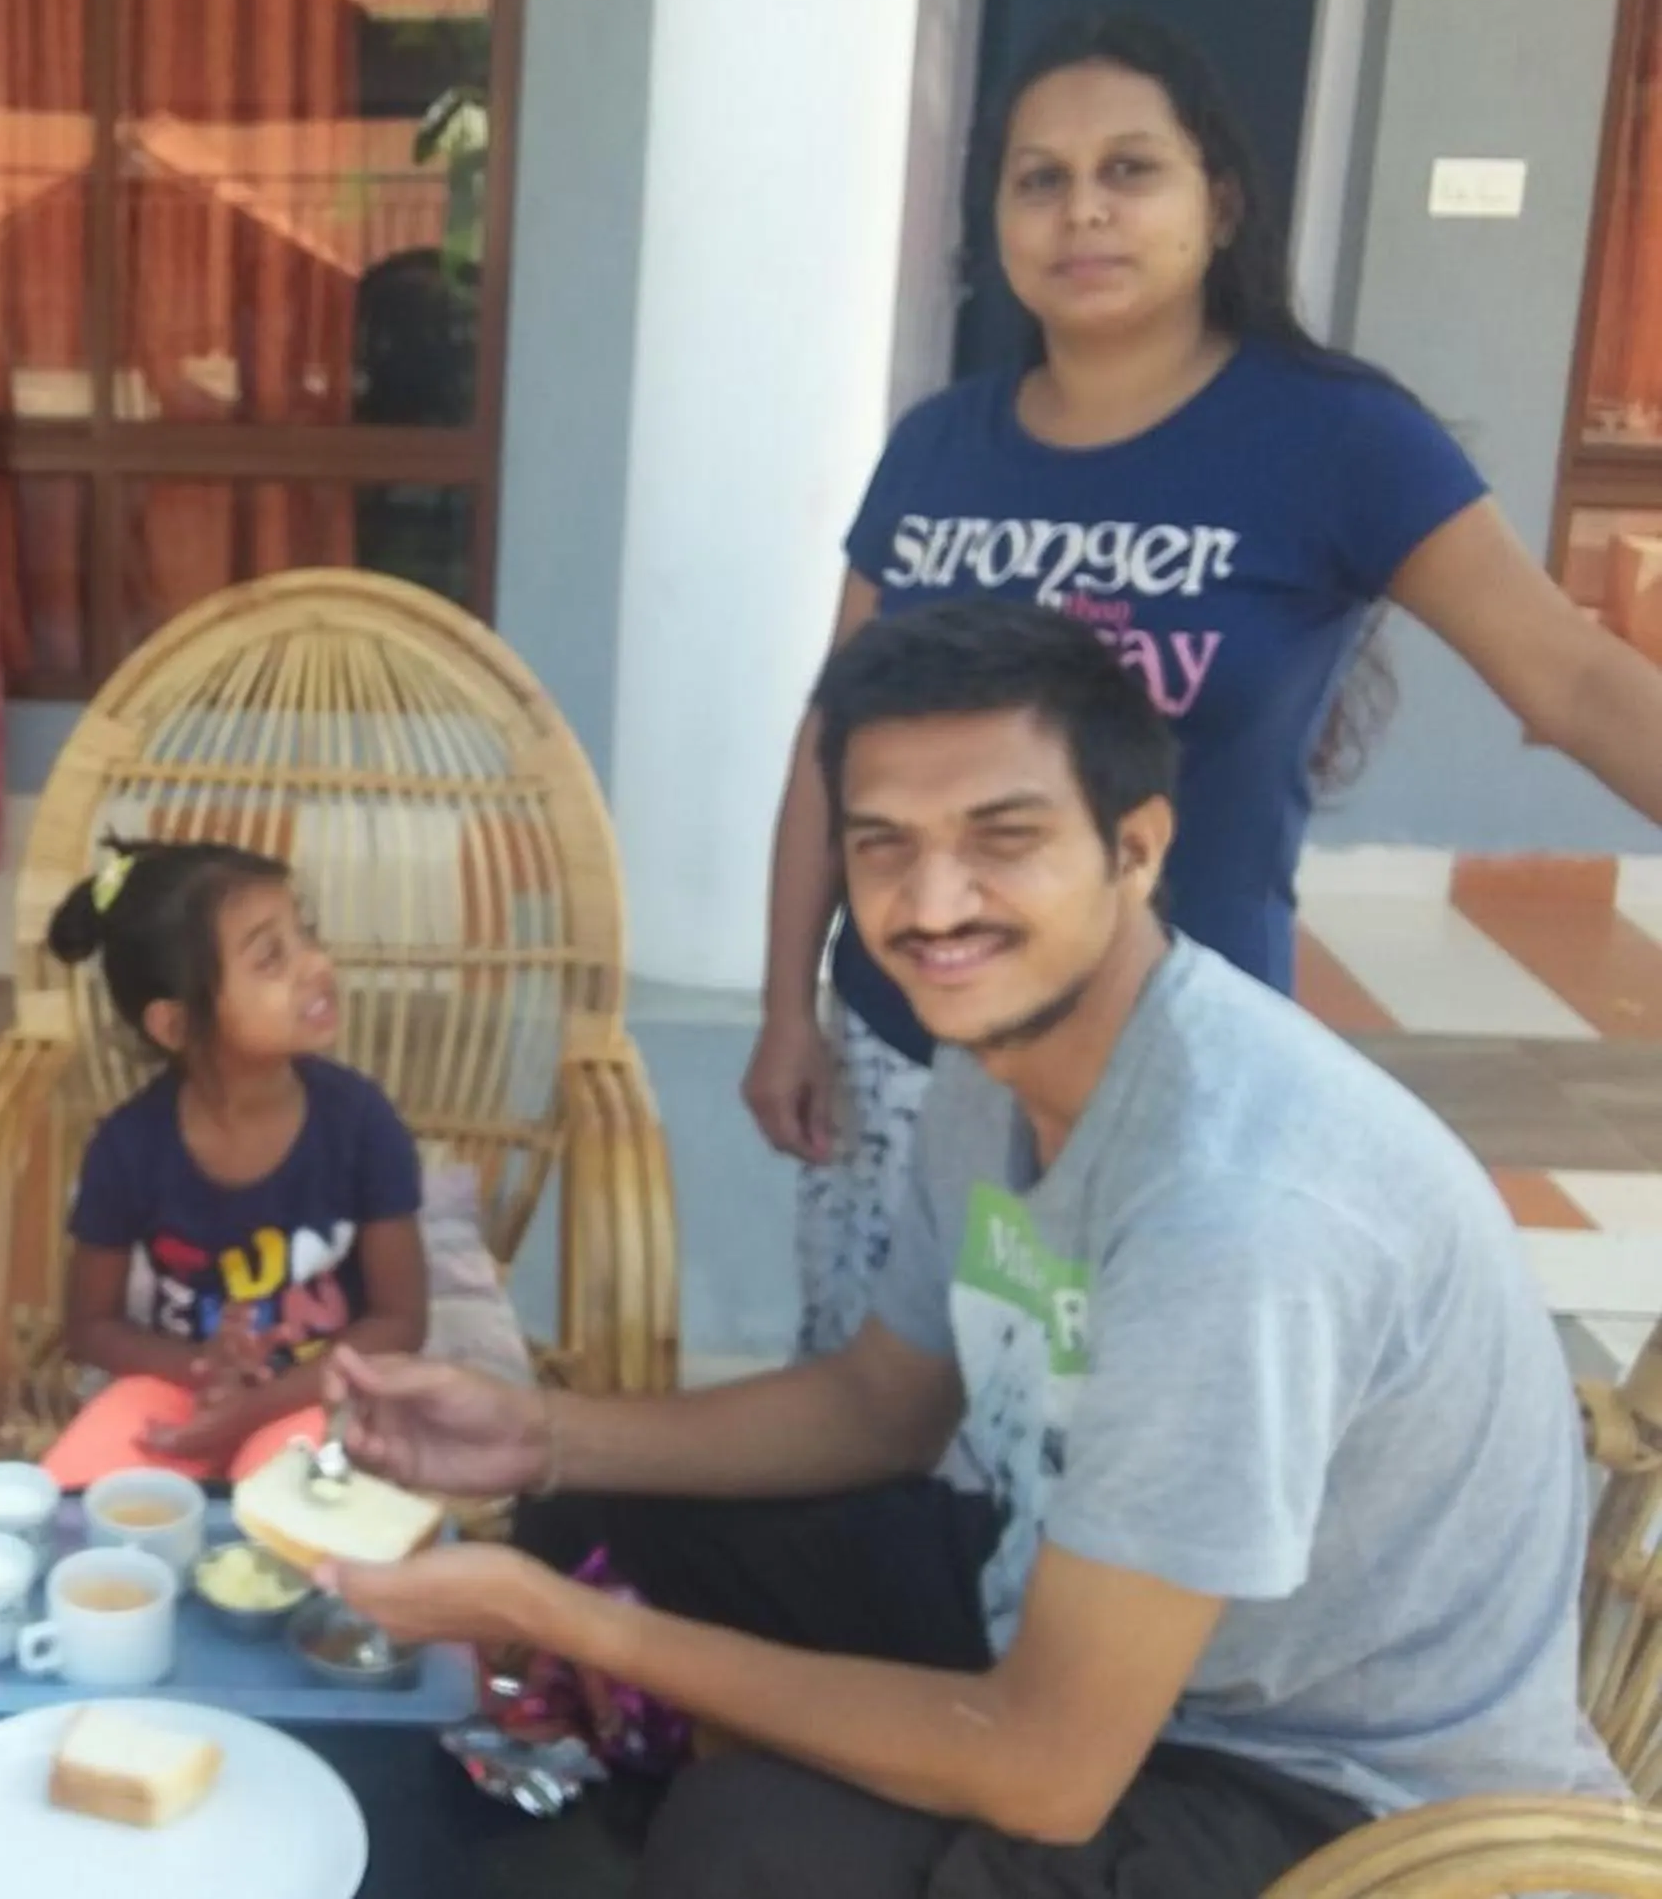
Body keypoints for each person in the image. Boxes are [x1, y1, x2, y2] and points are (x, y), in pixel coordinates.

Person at [317, 602, 1617, 1899]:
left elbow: (1048, 1770)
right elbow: (881, 1403)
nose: (933, 905)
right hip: (1068, 1595)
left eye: (1004, 840)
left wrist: (569, 1622)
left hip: (1330, 1795)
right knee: (602, 1512)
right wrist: (534, 1430)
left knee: (750, 1840)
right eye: (885, 846)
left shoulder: (1233, 1213)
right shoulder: (999, 1061)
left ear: (1136, 848)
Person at [745, 13, 1662, 1360]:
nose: (1083, 211)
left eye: (1131, 169)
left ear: (1219, 201)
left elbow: (1574, 677)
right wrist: (787, 1009)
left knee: (1108, 1436)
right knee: (876, 1417)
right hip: (906, 1040)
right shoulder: (940, 446)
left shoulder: (1336, 437)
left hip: (1165, 1058)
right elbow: (835, 746)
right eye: (1039, 177)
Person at [38, 838, 429, 1489]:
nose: (317, 964)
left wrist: (258, 1406)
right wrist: (201, 1367)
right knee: (78, 1505)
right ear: (176, 1025)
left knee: (285, 1522)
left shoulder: (361, 1124)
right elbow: (90, 1326)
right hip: (187, 1383)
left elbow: (400, 1320)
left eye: (304, 936)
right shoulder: (128, 1148)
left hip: (317, 1386)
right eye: (271, 958)